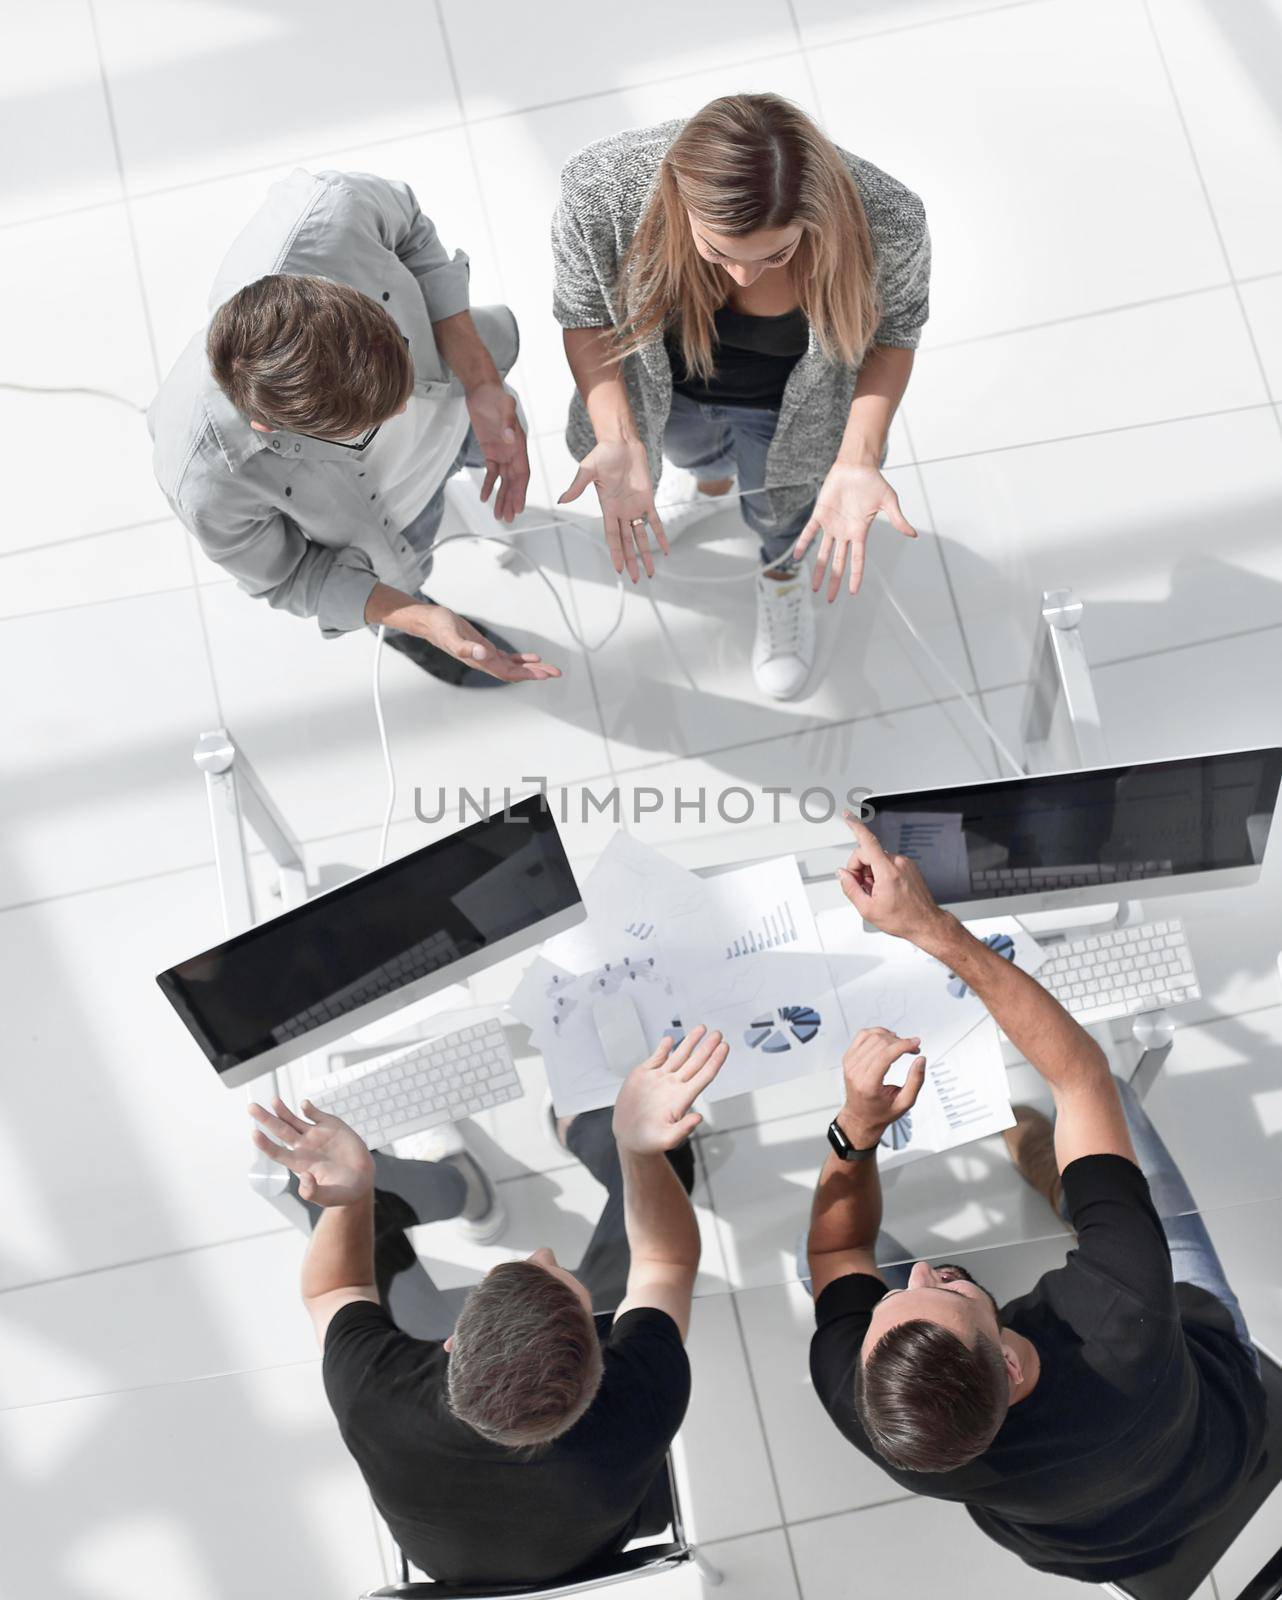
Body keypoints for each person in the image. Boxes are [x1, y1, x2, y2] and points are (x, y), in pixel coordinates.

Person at [805, 815, 1266, 1584]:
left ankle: (1067, 1181)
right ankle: (1069, 1184)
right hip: (1221, 1426)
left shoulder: (894, 1427)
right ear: (1012, 1368)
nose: (920, 1272)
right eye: (943, 1288)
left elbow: (834, 1251)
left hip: (1087, 1546)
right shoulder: (1121, 1310)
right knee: (1109, 1099)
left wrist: (856, 1131)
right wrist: (932, 929)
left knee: (824, 1265)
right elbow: (1078, 1073)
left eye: (892, 1303)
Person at [248, 1025, 727, 1586]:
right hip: (590, 1531)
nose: (544, 1251)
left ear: (450, 1343)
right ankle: (576, 1134)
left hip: (474, 1560)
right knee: (674, 1163)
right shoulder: (640, 1401)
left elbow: (334, 1290)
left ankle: (459, 1187)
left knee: (337, 1202)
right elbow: (665, 1264)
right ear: (602, 1360)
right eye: (562, 1279)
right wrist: (635, 1145)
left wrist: (352, 1194)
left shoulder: (376, 1396)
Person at [552, 93, 929, 700]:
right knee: (692, 455)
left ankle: (781, 574)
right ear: (681, 200)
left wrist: (858, 456)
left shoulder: (888, 218)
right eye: (717, 251)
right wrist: (618, 437)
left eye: (777, 254)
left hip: (789, 405)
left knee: (780, 509)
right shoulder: (602, 189)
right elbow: (585, 313)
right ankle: (709, 486)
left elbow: (895, 334)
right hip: (664, 389)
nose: (744, 277)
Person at [150, 167, 560, 688]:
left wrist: (479, 381)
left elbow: (412, 231)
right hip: (388, 526)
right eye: (363, 431)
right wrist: (416, 618)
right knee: (408, 605)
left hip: (466, 404)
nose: (404, 412)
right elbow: (293, 578)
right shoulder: (204, 481)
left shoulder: (331, 214)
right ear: (271, 427)